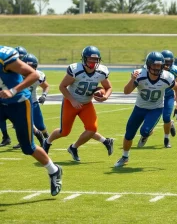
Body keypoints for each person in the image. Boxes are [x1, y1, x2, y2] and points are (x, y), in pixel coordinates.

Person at [0, 45, 62, 196]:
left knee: (28, 148)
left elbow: (33, 75)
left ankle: (54, 170)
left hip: (19, 103)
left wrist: (13, 90)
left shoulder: (4, 58)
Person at [43, 46, 114, 162]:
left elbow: (108, 87)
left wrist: (105, 96)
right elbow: (62, 87)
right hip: (70, 102)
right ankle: (47, 142)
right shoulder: (76, 70)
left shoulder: (101, 71)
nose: (93, 62)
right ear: (84, 59)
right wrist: (72, 100)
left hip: (86, 103)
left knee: (92, 128)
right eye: (90, 59)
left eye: (95, 60)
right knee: (64, 132)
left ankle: (73, 147)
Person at [114, 51, 177, 167]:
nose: (156, 68)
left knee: (144, 131)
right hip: (139, 108)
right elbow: (126, 91)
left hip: (155, 109)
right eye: (154, 65)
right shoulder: (140, 75)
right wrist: (132, 80)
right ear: (148, 65)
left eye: (159, 65)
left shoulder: (167, 77)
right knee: (129, 134)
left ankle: (147, 133)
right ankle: (125, 157)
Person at [12, 53, 50, 149]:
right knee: (21, 124)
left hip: (33, 102)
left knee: (40, 125)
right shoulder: (15, 76)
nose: (29, 69)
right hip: (20, 103)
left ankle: (47, 137)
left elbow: (46, 86)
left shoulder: (39, 76)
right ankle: (23, 141)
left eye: (32, 67)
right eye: (27, 66)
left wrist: (44, 96)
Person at [160, 50, 177, 148]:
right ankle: (145, 134)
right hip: (155, 97)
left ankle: (166, 138)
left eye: (169, 61)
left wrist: (176, 92)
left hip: (169, 96)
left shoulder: (174, 70)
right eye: (165, 62)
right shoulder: (153, 69)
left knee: (166, 117)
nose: (167, 64)